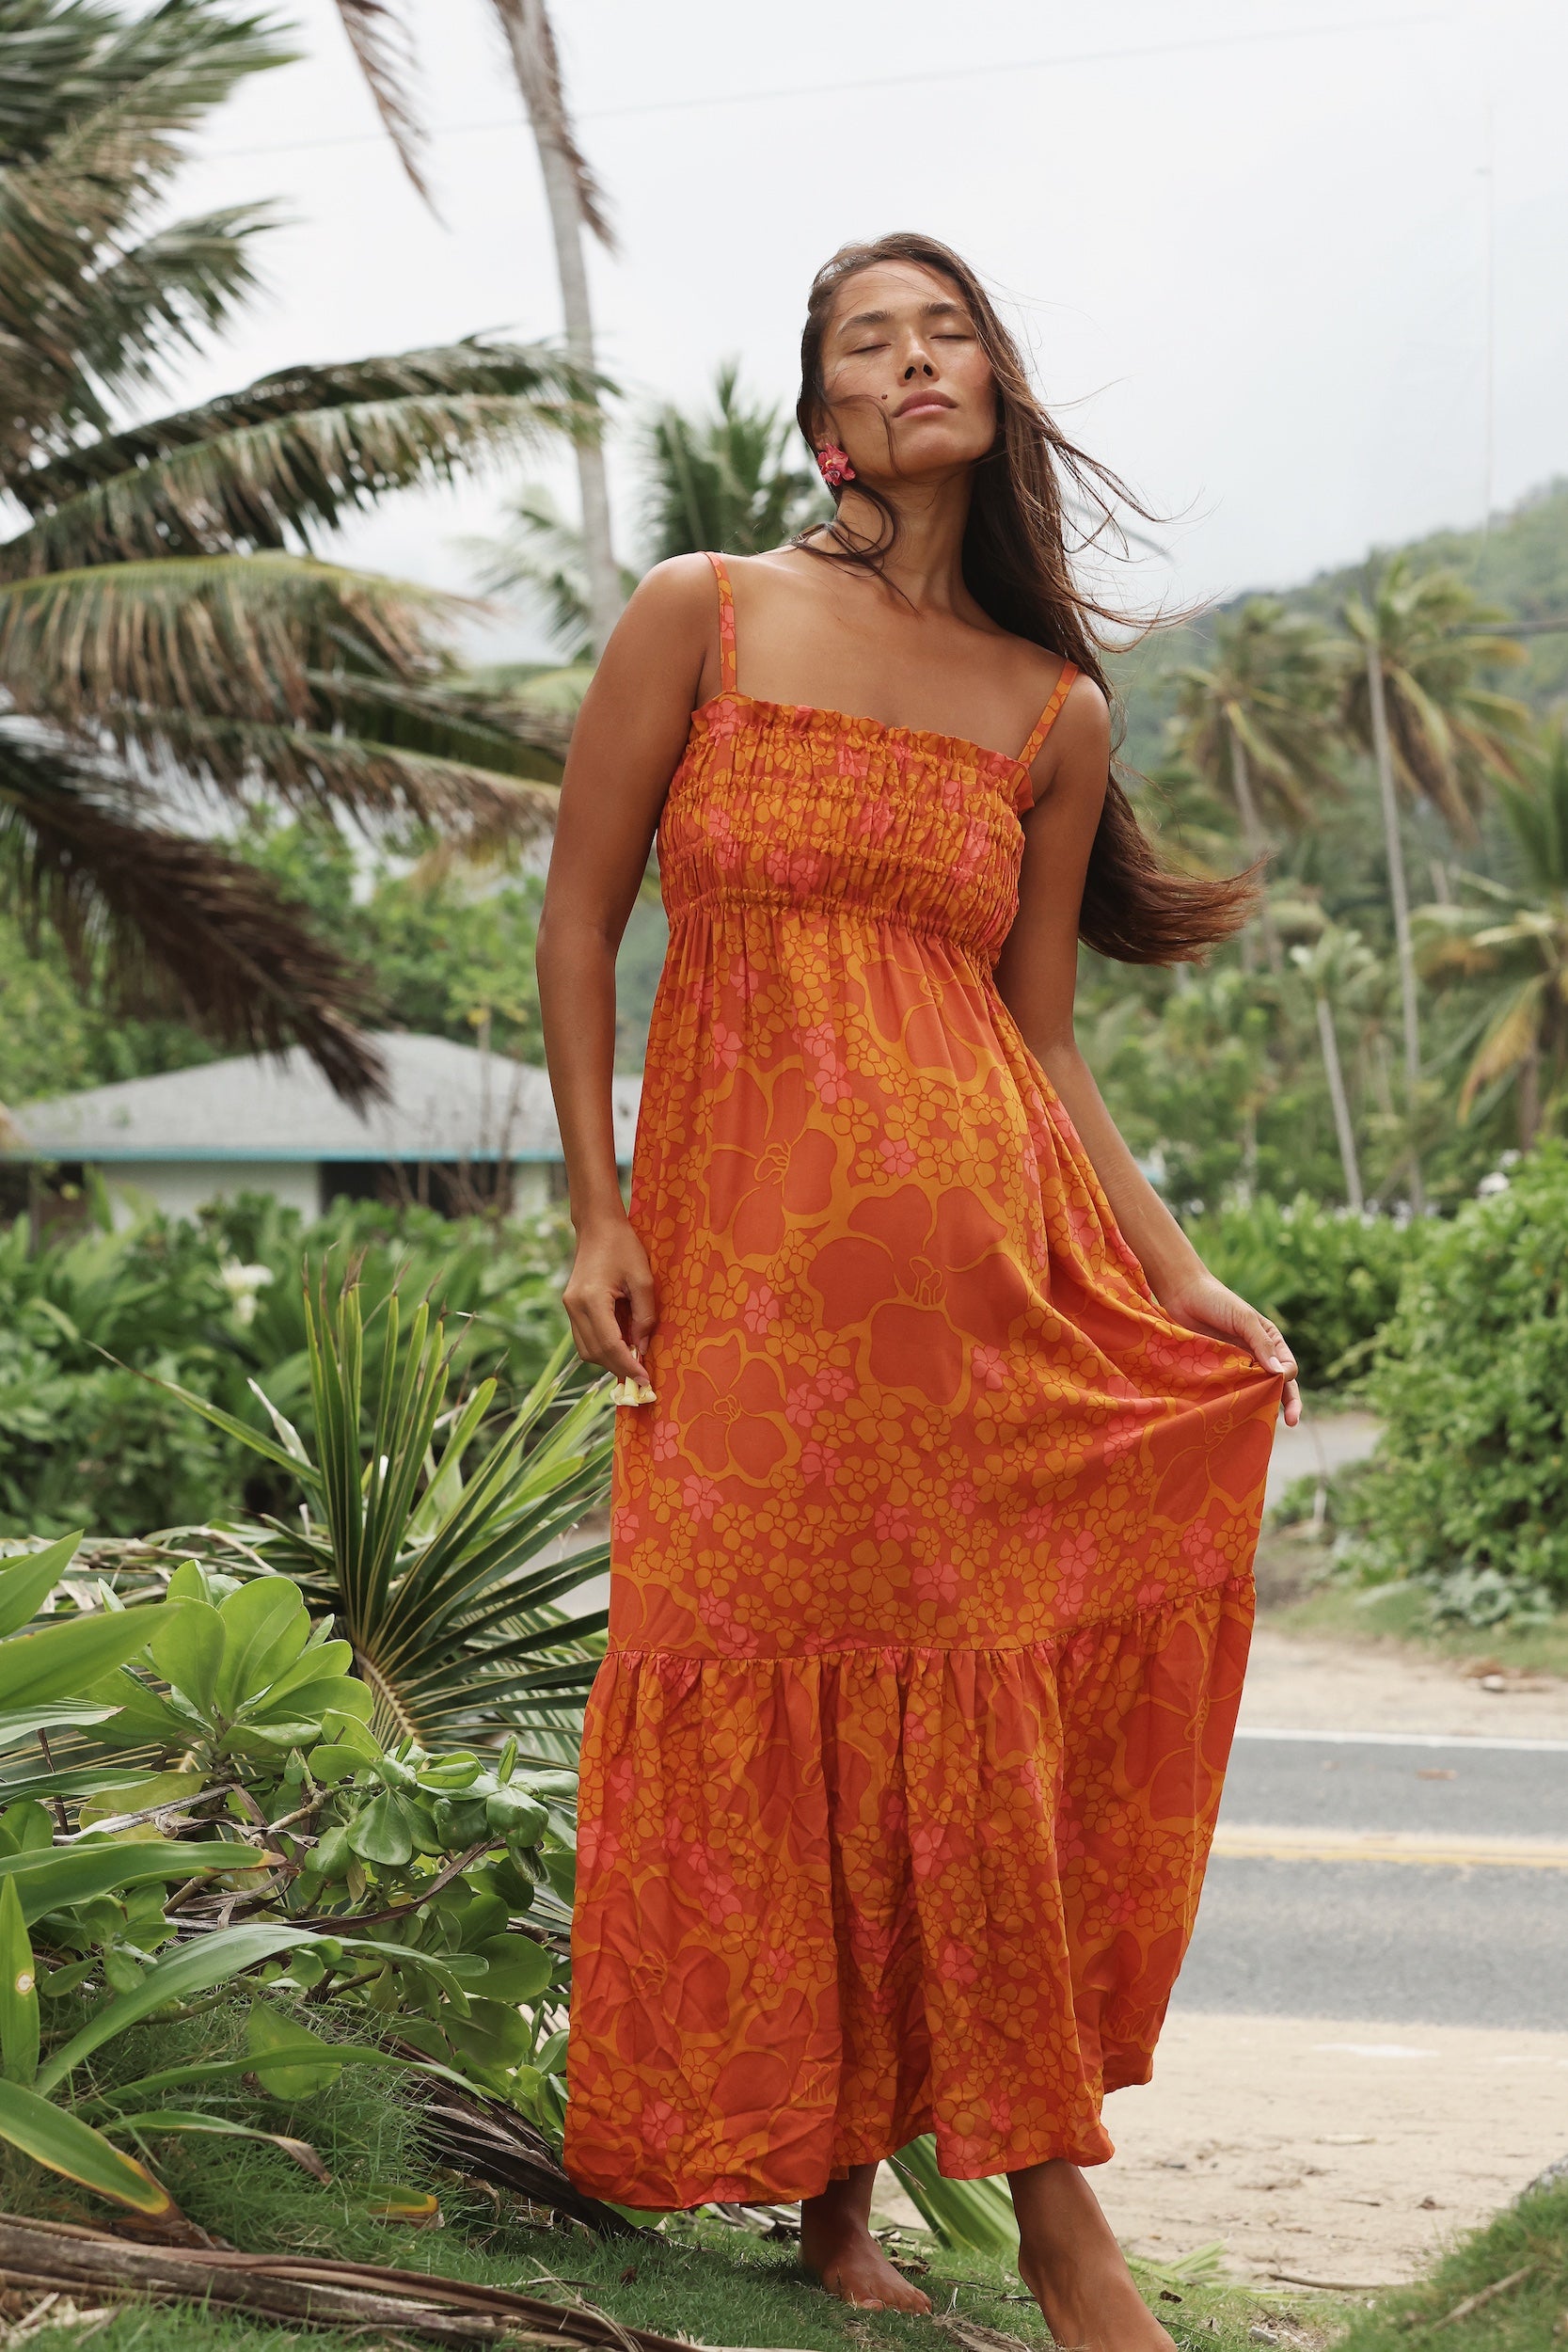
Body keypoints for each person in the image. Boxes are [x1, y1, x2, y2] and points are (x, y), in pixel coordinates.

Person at [535, 230, 1299, 2352]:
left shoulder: (1053, 711)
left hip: (990, 1286)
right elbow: (581, 917)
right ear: (821, 416)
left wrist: (1185, 1272)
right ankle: (933, 2221)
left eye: (946, 324)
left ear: (991, 385)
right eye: (871, 336)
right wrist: (598, 1210)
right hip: (753, 1277)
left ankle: (1019, 2230)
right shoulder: (708, 610)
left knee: (944, 1689)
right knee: (798, 1664)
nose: (916, 355)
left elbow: (1041, 1037)